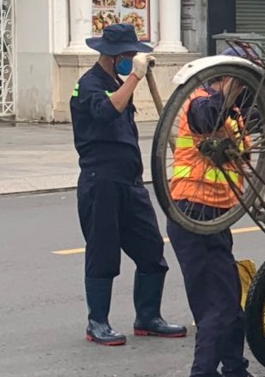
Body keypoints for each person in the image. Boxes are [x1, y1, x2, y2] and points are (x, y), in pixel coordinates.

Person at [167, 49, 265, 377]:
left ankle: (234, 374)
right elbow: (207, 119)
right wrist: (228, 89)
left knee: (230, 299)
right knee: (214, 305)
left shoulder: (235, 113)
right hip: (193, 217)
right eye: (240, 82)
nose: (244, 92)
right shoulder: (200, 103)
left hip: (216, 219)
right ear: (226, 77)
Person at [71, 23, 186, 346]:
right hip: (101, 181)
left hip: (130, 182)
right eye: (129, 55)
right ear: (112, 56)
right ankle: (98, 323)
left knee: (152, 250)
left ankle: (148, 317)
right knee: (103, 252)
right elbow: (108, 110)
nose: (133, 58)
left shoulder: (116, 82)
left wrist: (132, 78)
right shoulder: (89, 85)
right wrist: (135, 77)